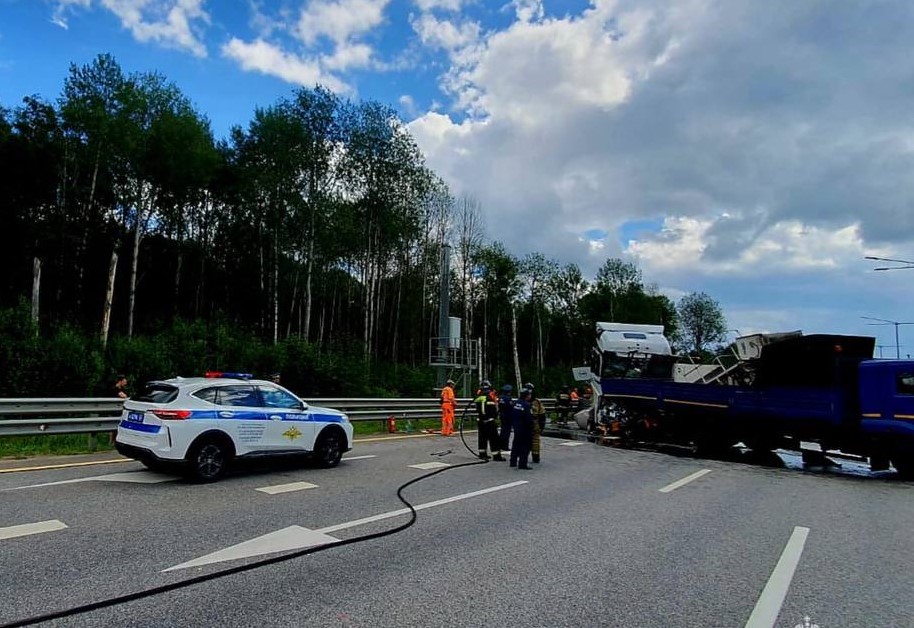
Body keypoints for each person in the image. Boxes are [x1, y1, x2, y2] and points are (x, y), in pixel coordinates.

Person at [474, 383, 504, 460]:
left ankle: (482, 454)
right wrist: (496, 415)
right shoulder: (489, 399)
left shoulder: (478, 399)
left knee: (482, 438)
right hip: (489, 421)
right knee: (494, 439)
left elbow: (478, 410)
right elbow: (493, 412)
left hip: (480, 421)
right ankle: (496, 456)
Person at [510, 388, 534, 470]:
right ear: (527, 396)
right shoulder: (527, 405)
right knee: (526, 446)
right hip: (525, 429)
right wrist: (532, 427)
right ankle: (522, 463)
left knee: (516, 444)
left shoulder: (515, 403)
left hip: (516, 427)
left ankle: (513, 461)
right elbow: (529, 419)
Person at [527, 383, 546, 464]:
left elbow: (542, 415)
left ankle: (531, 457)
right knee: (534, 441)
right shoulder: (537, 402)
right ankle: (534, 457)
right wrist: (541, 426)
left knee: (530, 441)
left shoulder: (522, 401)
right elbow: (542, 415)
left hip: (530, 424)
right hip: (532, 423)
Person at [498, 384, 514, 451]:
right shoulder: (508, 398)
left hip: (502, 415)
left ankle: (500, 445)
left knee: (503, 431)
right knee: (506, 432)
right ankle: (505, 446)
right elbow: (510, 407)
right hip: (508, 416)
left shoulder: (500, 397)